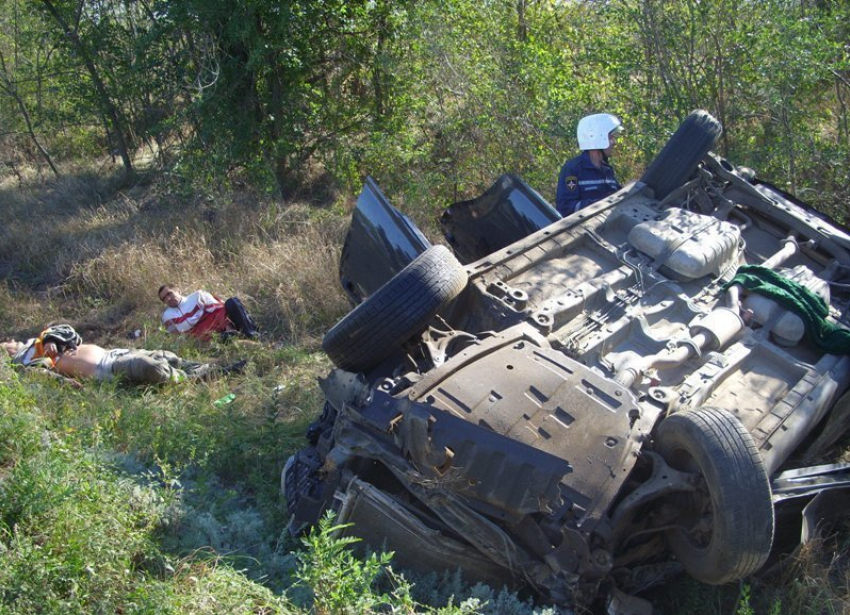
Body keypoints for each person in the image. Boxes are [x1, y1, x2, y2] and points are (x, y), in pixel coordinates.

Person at [3, 324, 246, 386]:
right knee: (149, 366)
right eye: (4, 346)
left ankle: (221, 371)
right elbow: (40, 374)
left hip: (116, 352)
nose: (9, 343)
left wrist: (51, 340)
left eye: (7, 342)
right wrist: (64, 381)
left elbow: (70, 333)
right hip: (107, 369)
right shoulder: (25, 362)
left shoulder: (41, 339)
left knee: (168, 357)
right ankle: (197, 377)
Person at [556, 113, 623, 217]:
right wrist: (601, 204)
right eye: (610, 137)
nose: (614, 142)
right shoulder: (573, 170)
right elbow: (566, 207)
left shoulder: (607, 169)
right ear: (598, 138)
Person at [158, 285, 259, 342]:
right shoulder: (167, 316)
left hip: (220, 326)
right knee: (226, 337)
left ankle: (252, 335)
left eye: (169, 293)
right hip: (205, 338)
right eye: (164, 298)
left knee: (232, 302)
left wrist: (226, 325)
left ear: (178, 291)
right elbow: (176, 336)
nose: (168, 298)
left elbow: (220, 310)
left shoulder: (197, 296)